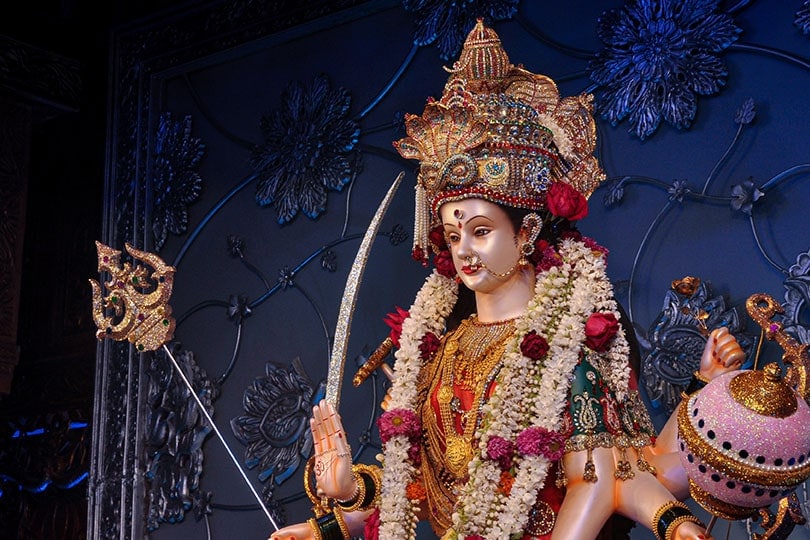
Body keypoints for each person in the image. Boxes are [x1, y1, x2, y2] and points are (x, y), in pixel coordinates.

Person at [270, 20, 745, 540]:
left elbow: (602, 479)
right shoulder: (441, 354)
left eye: (480, 231)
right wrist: (342, 504)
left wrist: (702, 399)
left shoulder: (567, 348)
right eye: (453, 235)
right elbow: (422, 488)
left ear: (526, 234)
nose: (464, 250)